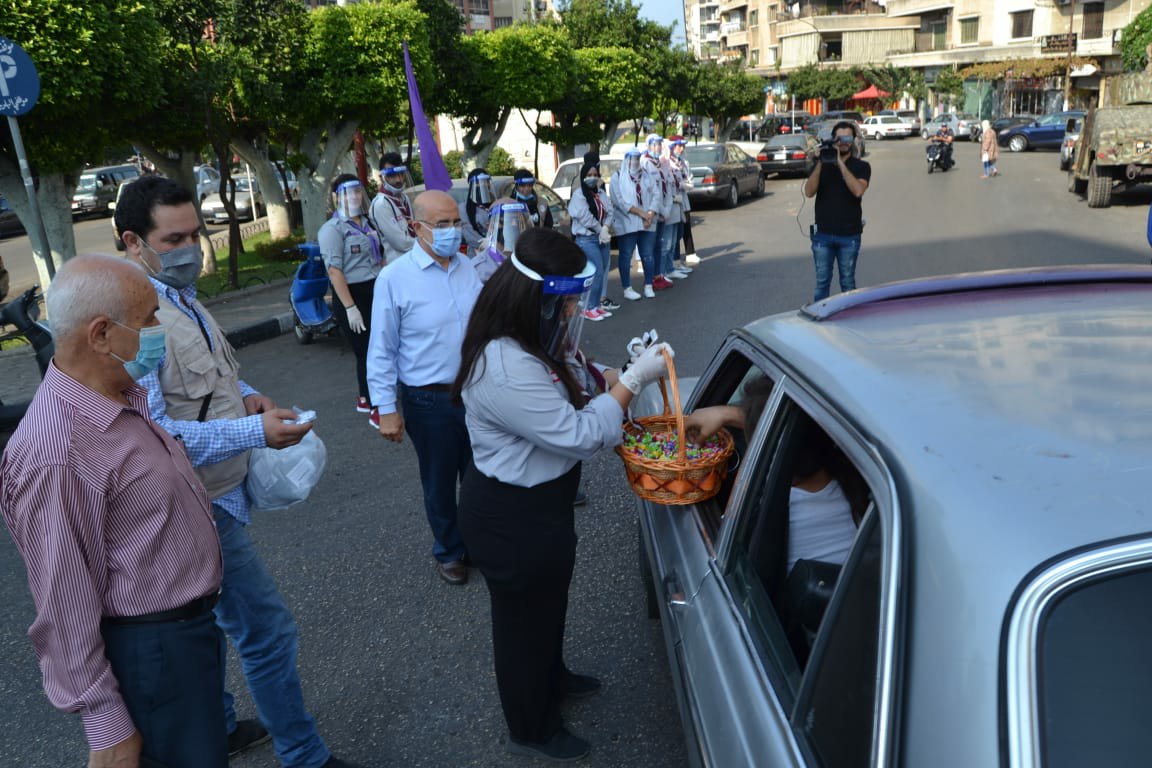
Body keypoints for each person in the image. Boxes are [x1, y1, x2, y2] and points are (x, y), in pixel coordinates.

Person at [113, 176, 360, 768]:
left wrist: (247, 396)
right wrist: (255, 432)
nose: (190, 250)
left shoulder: (179, 296)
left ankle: (222, 726)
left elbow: (209, 374)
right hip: (191, 506)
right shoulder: (133, 320)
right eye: (173, 240)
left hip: (217, 493)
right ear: (133, 242)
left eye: (194, 235)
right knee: (266, 631)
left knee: (208, 618)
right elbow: (158, 436)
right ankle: (304, 755)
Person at [452, 226, 674, 761]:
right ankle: (531, 726)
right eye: (567, 301)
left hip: (542, 506)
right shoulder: (505, 366)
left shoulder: (531, 337)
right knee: (521, 623)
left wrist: (614, 373)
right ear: (535, 298)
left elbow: (573, 372)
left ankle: (552, 676)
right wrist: (632, 383)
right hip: (511, 515)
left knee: (548, 602)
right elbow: (579, 435)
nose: (573, 310)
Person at [0, 254, 227, 768]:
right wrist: (107, 725)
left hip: (183, 639)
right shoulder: (57, 451)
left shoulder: (115, 398)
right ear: (101, 334)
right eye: (149, 318)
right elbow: (63, 596)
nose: (159, 326)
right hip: (152, 652)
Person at [368, 190, 483, 586]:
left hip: (475, 392)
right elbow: (381, 349)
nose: (452, 231)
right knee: (439, 481)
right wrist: (386, 408)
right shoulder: (395, 278)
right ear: (417, 228)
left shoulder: (468, 267)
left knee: (480, 476)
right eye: (442, 224)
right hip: (428, 399)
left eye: (456, 222)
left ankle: (478, 544)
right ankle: (449, 551)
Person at [318, 174, 384, 421]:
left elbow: (379, 258)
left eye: (357, 191)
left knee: (380, 347)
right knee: (366, 351)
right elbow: (334, 271)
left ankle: (367, 397)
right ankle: (375, 405)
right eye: (348, 193)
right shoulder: (333, 229)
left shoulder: (368, 222)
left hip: (375, 289)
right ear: (337, 197)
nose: (354, 197)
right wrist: (350, 307)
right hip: (352, 294)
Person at [802, 120, 871, 302]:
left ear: (854, 140)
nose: (843, 142)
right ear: (833, 140)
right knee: (822, 283)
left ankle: (850, 317)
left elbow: (858, 190)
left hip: (849, 235)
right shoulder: (821, 165)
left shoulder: (861, 167)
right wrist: (821, 162)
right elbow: (808, 192)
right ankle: (820, 317)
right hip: (822, 235)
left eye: (848, 138)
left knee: (847, 283)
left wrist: (839, 162)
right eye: (839, 139)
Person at [567, 157, 614, 322]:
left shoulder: (600, 193)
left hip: (602, 238)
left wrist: (606, 227)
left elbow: (610, 211)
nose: (592, 177)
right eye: (589, 175)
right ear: (583, 176)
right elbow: (584, 216)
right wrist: (600, 229)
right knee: (596, 273)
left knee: (602, 271)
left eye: (595, 174)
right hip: (587, 240)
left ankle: (595, 305)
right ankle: (588, 308)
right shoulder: (579, 195)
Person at [610, 148, 659, 300]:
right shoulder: (618, 176)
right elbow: (619, 201)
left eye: (638, 158)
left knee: (648, 255)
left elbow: (656, 194)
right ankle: (627, 288)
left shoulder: (646, 175)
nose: (636, 162)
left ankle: (648, 285)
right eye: (633, 158)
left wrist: (650, 214)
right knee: (626, 255)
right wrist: (641, 213)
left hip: (647, 222)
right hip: (627, 223)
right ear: (627, 159)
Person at [641, 134, 678, 290]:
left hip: (663, 212)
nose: (658, 147)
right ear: (648, 145)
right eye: (655, 144)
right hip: (652, 212)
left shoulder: (661, 164)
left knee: (659, 245)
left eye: (659, 144)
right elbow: (650, 192)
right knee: (649, 248)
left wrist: (667, 209)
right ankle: (650, 280)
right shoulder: (644, 163)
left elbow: (667, 188)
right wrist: (661, 209)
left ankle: (658, 276)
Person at [368, 152, 416, 262]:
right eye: (392, 175)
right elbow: (402, 244)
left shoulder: (404, 198)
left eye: (401, 174)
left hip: (413, 257)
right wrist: (426, 242)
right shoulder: (381, 204)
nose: (399, 180)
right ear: (382, 177)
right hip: (396, 263)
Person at [472, 197, 530, 283]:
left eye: (517, 221)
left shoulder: (533, 259)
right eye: (504, 222)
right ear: (489, 227)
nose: (512, 226)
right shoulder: (479, 270)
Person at [663, 136, 694, 278]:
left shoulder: (682, 162)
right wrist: (681, 185)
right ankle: (670, 266)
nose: (681, 149)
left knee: (678, 233)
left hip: (682, 201)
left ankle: (674, 263)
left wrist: (688, 184)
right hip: (672, 203)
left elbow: (687, 177)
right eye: (678, 146)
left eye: (683, 146)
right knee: (670, 239)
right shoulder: (668, 163)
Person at [461, 168, 496, 258]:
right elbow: (469, 235)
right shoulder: (463, 208)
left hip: (498, 252)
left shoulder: (497, 204)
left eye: (486, 182)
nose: (483, 185)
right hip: (476, 255)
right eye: (479, 183)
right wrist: (488, 244)